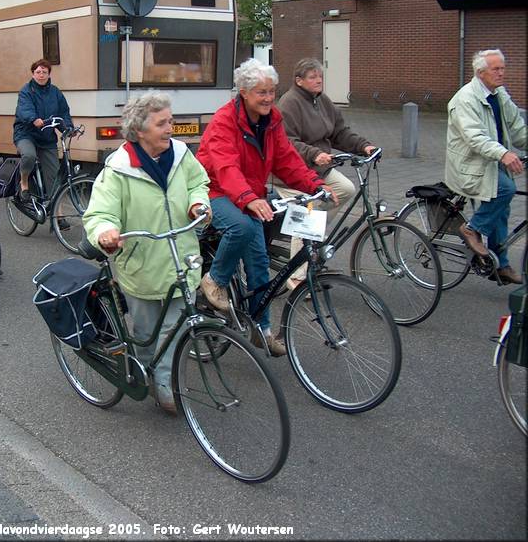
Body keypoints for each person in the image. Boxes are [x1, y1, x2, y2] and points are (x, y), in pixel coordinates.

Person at [196, 59, 334, 356]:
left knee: (259, 266)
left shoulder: (272, 120)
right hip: (215, 190)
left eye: (272, 91)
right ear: (244, 92)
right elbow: (225, 167)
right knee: (241, 227)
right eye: (262, 92)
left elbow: (286, 158)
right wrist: (248, 198)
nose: (269, 98)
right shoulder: (224, 121)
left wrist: (314, 185)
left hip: (250, 193)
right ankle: (214, 280)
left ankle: (263, 331)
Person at [83, 91, 211, 414]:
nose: (171, 128)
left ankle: (165, 386)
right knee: (145, 335)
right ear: (140, 130)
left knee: (176, 328)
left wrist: (199, 203)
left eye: (171, 120)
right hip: (141, 264)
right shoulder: (119, 168)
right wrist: (106, 233)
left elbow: (199, 183)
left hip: (181, 258)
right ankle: (144, 373)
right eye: (162, 123)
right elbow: (99, 214)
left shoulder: (181, 154)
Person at [273, 57, 377, 288]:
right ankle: (297, 276)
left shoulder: (322, 101)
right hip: (291, 173)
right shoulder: (289, 103)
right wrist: (313, 153)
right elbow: (286, 142)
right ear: (299, 81)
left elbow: (339, 132)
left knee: (346, 189)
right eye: (312, 77)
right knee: (307, 217)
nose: (318, 80)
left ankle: (313, 239)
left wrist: (363, 146)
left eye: (320, 76)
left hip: (318, 169)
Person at [446, 49, 527, 285]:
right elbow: (474, 137)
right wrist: (504, 154)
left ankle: (500, 266)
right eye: (496, 69)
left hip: (492, 161)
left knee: (502, 211)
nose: (502, 73)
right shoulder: (465, 98)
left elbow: (517, 128)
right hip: (470, 166)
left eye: (503, 68)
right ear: (481, 73)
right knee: (505, 191)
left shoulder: (499, 94)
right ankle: (472, 229)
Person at [13, 59, 72, 202]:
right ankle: (24, 182)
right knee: (28, 156)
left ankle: (58, 216)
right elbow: (24, 109)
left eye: (44, 72)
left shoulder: (55, 92)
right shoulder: (26, 91)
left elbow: (63, 112)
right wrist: (34, 119)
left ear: (49, 74)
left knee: (54, 177)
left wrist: (68, 127)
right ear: (33, 74)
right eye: (38, 72)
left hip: (46, 136)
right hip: (26, 134)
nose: (41, 75)